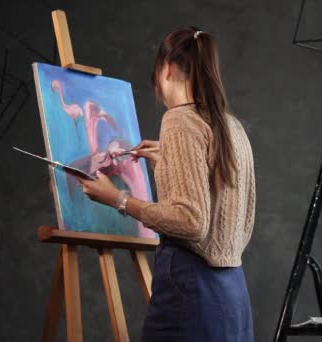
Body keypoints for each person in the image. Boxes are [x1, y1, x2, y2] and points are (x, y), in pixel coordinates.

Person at [75, 26, 256, 341]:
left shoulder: (179, 120)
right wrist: (169, 162)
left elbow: (192, 222)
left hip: (192, 288)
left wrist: (118, 199)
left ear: (168, 68)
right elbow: (228, 204)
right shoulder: (231, 126)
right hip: (232, 293)